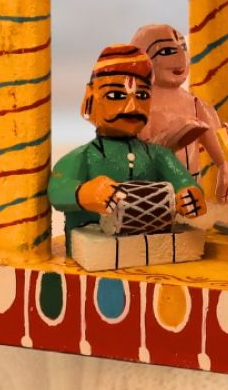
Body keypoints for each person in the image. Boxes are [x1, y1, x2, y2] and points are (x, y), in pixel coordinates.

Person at [48, 44, 207, 255]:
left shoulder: (158, 155)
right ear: (90, 98)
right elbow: (57, 190)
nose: (132, 107)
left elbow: (185, 182)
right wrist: (83, 193)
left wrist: (189, 195)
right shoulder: (82, 157)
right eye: (115, 96)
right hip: (93, 250)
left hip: (151, 249)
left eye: (142, 96)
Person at [130, 23, 228, 203]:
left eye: (183, 47)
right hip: (153, 192)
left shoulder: (195, 105)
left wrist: (226, 167)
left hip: (192, 188)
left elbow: (220, 145)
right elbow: (132, 161)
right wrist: (169, 139)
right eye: (167, 51)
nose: (182, 58)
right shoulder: (136, 108)